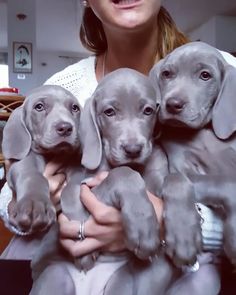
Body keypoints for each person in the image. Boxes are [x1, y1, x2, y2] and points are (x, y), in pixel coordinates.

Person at [1, 0, 236, 293]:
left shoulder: (223, 68)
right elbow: (11, 196)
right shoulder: (65, 87)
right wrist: (38, 194)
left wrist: (168, 224)